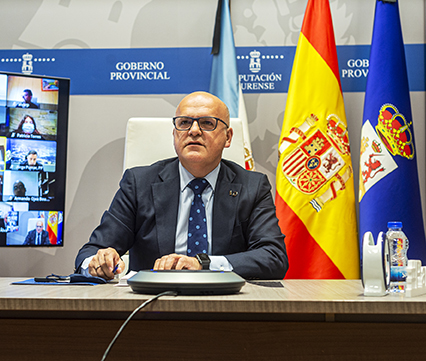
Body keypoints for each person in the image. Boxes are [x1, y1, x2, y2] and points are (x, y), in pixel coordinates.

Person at [75, 91, 288, 280]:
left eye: (207, 123)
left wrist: (204, 264)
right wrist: (97, 262)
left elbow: (274, 257)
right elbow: (90, 252)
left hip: (226, 307)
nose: (194, 131)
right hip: (151, 308)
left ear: (228, 137)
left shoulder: (252, 186)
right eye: (184, 123)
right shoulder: (139, 184)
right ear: (174, 133)